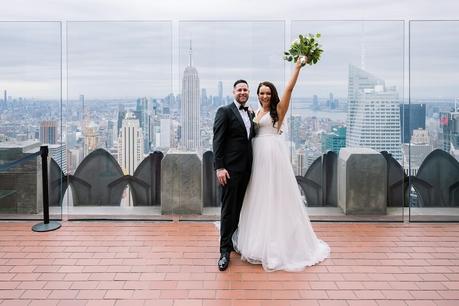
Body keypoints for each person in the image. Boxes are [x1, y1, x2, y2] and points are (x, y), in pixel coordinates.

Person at [232, 57, 330, 271]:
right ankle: (258, 242)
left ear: (272, 94)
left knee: (275, 197)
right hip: (257, 158)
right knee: (257, 198)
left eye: (267, 92)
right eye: (261, 93)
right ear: (257, 95)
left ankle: (277, 246)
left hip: (272, 156)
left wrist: (297, 67)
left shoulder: (279, 108)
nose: (264, 95)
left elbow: (289, 87)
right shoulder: (255, 111)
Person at [213, 79, 255, 271]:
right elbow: (218, 141)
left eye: (245, 89)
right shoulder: (225, 111)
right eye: (239, 89)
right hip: (230, 171)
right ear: (233, 92)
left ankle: (235, 242)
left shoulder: (251, 113)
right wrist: (219, 167)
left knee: (240, 209)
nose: (243, 92)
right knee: (228, 211)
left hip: (247, 170)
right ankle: (224, 252)